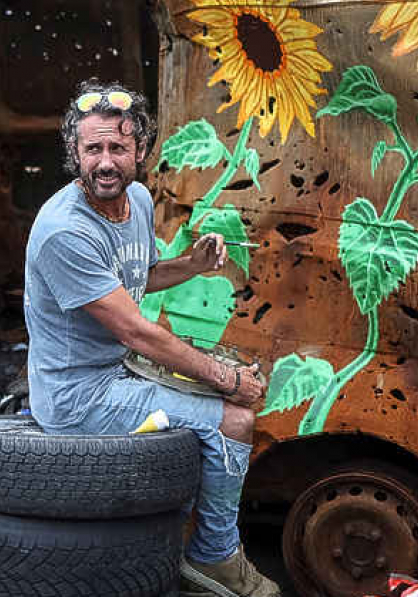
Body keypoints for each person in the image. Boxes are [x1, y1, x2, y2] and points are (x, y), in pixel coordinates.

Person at [24, 79, 279, 597]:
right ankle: (214, 557)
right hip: (78, 397)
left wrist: (194, 265)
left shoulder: (137, 200)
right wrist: (227, 381)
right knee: (234, 416)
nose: (104, 162)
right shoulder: (64, 231)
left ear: (141, 151)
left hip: (119, 372)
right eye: (92, 148)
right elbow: (135, 330)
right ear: (75, 154)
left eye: (117, 147)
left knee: (224, 388)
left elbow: (135, 277)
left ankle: (186, 538)